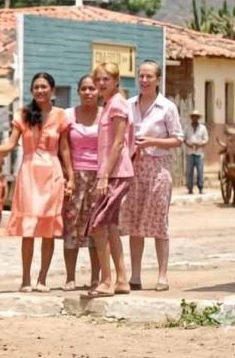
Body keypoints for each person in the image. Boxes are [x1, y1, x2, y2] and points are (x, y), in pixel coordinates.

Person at [0, 72, 74, 293]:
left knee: (49, 228)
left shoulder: (61, 115)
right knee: (29, 229)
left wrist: (71, 178)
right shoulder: (23, 114)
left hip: (52, 173)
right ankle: (25, 278)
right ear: (32, 90)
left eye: (44, 87)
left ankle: (42, 279)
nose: (40, 90)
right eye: (36, 87)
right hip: (29, 173)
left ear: (52, 90)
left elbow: (65, 149)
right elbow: (11, 144)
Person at [122, 60, 183, 291]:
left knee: (159, 221)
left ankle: (162, 275)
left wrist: (152, 141)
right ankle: (135, 275)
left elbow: (177, 139)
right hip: (134, 167)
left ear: (158, 79)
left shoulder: (167, 107)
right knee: (135, 221)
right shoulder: (128, 105)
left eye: (149, 76)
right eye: (141, 76)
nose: (144, 80)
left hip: (159, 168)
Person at [82, 63, 134, 298]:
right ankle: (121, 279)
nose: (102, 83)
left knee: (97, 225)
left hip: (116, 173)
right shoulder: (110, 104)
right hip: (111, 172)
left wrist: (104, 175)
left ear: (116, 81)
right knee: (110, 227)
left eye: (106, 79)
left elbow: (119, 142)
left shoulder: (118, 105)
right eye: (99, 79)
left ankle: (106, 280)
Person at [63, 75, 101, 292]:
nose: (88, 92)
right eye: (84, 88)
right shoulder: (69, 115)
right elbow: (64, 147)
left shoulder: (105, 115)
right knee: (72, 225)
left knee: (96, 226)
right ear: (78, 91)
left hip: (99, 177)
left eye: (92, 89)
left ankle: (97, 277)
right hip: (75, 176)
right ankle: (70, 277)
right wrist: (69, 176)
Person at [184, 110, 209, 195]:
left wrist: (199, 144)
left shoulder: (203, 128)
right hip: (190, 152)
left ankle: (200, 188)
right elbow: (184, 138)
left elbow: (206, 139)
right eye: (193, 116)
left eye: (196, 117)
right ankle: (190, 189)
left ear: (198, 118)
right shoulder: (187, 127)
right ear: (191, 118)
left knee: (200, 171)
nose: (195, 118)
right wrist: (189, 144)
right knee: (189, 172)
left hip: (199, 153)